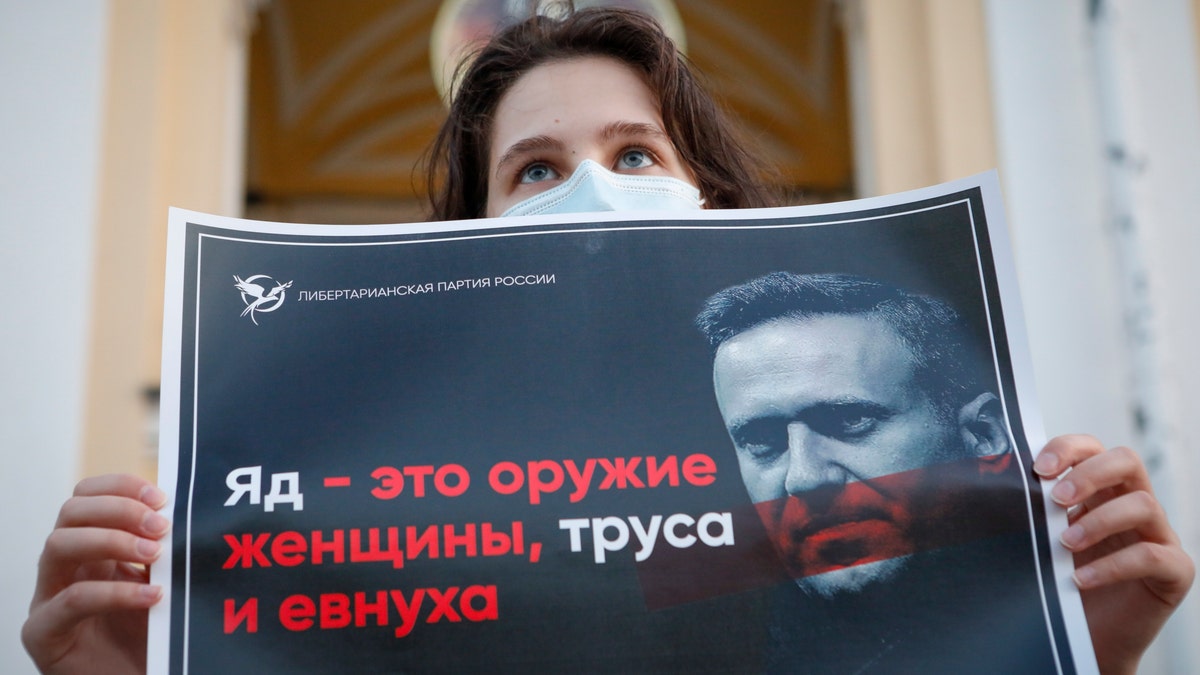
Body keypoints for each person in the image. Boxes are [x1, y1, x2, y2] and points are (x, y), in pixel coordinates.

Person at [22, 7, 1193, 675]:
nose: (590, 186)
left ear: (709, 199)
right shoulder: (382, 539)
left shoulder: (834, 572)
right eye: (533, 169)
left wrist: (1079, 652)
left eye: (637, 154)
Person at [696, 272, 1054, 671]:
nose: (804, 478)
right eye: (762, 441)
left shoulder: (1067, 609)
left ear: (982, 436)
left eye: (850, 421)